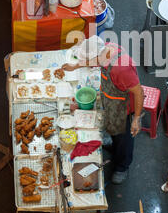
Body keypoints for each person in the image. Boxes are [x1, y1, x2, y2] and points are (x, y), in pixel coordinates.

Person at [62, 36, 144, 184]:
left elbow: (139, 92)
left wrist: (137, 118)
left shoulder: (122, 68)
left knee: (124, 139)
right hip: (112, 102)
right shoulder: (104, 50)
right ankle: (114, 147)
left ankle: (122, 166)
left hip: (124, 108)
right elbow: (93, 60)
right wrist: (75, 66)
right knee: (114, 132)